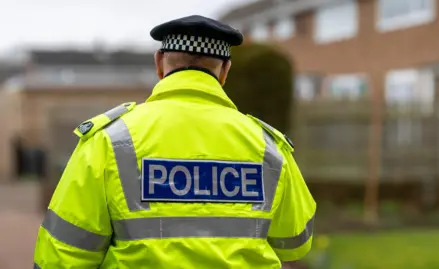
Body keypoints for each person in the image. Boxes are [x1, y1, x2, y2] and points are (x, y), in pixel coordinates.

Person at [33, 15, 316, 269]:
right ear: (225, 70)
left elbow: (62, 256)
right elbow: (295, 242)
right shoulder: (268, 147)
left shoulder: (109, 140)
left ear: (159, 62)